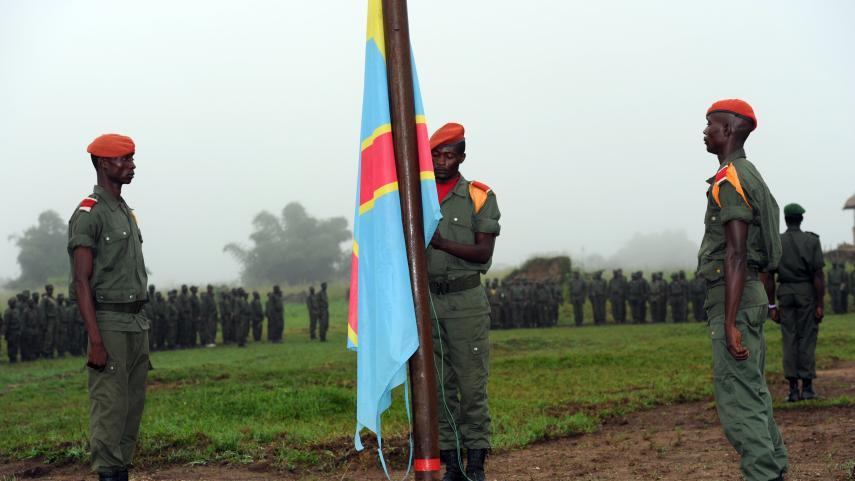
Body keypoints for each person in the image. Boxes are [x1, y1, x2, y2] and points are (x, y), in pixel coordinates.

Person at [698, 100, 787, 481]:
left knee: (739, 401)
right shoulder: (752, 176)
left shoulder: (730, 178)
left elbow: (736, 254)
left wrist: (731, 321)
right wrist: (763, 304)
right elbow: (766, 253)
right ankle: (776, 469)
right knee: (754, 392)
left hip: (734, 293)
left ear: (730, 129)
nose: (704, 132)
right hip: (753, 292)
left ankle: (764, 475)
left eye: (710, 125)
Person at [68, 133, 151, 481]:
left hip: (137, 324)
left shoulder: (125, 213)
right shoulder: (90, 213)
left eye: (132, 158)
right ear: (104, 163)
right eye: (125, 159)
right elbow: (81, 282)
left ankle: (121, 472)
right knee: (109, 409)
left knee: (131, 410)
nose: (132, 165)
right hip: (110, 323)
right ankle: (109, 474)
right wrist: (97, 341)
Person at [427, 123, 500, 481]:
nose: (442, 162)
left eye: (450, 155)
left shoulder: (478, 196)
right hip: (427, 302)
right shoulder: (415, 197)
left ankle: (476, 464)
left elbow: (482, 252)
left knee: (471, 385)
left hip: (466, 302)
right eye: (436, 154)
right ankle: (452, 464)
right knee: (439, 387)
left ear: (462, 157)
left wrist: (441, 244)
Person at [771, 203, 825, 402]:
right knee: (807, 337)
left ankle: (793, 389)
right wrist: (820, 304)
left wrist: (771, 306)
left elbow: (768, 276)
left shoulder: (778, 241)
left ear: (785, 219)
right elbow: (818, 275)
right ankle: (808, 387)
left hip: (785, 294)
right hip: (806, 293)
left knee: (789, 338)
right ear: (801, 219)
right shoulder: (811, 241)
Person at [4, 298, 20, 363]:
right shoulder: (8, 312)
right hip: (11, 331)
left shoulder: (17, 310)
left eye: (15, 302)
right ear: (9, 304)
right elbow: (7, 324)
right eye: (13, 303)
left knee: (15, 345)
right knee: (11, 345)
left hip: (16, 330)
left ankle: (14, 357)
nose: (14, 304)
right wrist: (6, 333)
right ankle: (11, 358)